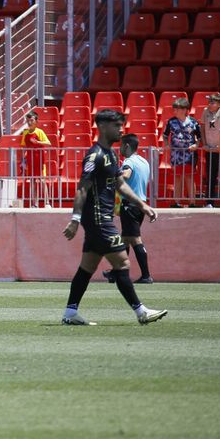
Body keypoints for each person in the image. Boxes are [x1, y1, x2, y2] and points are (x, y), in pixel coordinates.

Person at [60, 109, 168, 326]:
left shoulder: (110, 154)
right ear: (102, 127)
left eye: (121, 125)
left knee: (87, 267)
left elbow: (120, 184)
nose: (121, 129)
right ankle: (141, 312)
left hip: (101, 220)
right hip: (99, 220)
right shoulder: (95, 156)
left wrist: (143, 205)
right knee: (122, 262)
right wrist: (75, 219)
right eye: (116, 125)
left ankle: (70, 313)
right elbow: (82, 188)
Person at [116, 132, 154, 283]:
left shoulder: (129, 161)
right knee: (125, 240)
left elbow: (125, 174)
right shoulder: (144, 161)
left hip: (130, 205)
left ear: (126, 146)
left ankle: (146, 276)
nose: (119, 149)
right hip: (140, 205)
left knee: (135, 239)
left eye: (120, 146)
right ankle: (118, 273)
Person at [162, 97, 200, 207]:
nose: (174, 111)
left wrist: (196, 145)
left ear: (184, 110)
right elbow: (165, 135)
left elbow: (200, 137)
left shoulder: (193, 122)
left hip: (189, 155)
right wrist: (166, 144)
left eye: (177, 109)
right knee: (177, 177)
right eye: (174, 109)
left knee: (189, 177)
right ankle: (176, 202)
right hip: (176, 155)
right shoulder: (171, 121)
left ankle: (192, 202)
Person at [15, 107, 53, 207]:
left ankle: (47, 203)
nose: (29, 122)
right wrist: (23, 160)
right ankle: (34, 203)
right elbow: (24, 147)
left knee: (42, 180)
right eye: (28, 121)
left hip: (40, 159)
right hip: (30, 160)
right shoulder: (25, 133)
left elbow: (48, 143)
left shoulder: (39, 132)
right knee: (32, 181)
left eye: (31, 120)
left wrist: (38, 142)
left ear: (36, 121)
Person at [199, 93, 220, 204]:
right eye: (209, 102)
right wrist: (204, 143)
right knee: (210, 176)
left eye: (212, 102)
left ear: (219, 104)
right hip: (210, 149)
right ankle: (209, 202)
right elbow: (202, 127)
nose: (209, 104)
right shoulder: (205, 111)